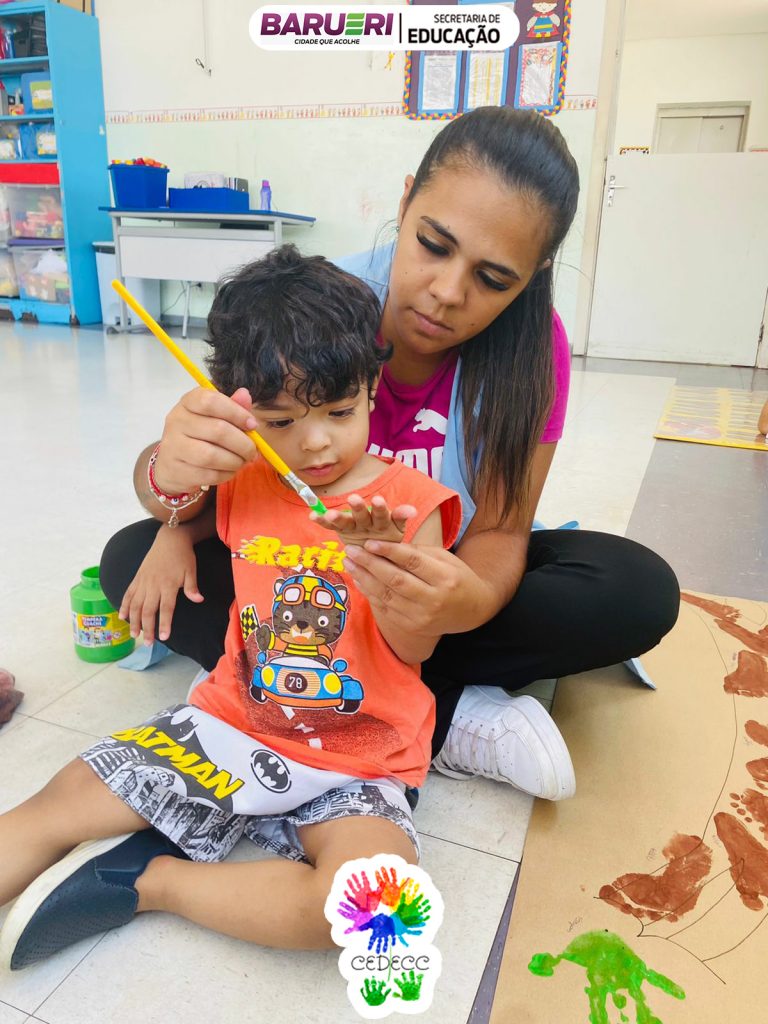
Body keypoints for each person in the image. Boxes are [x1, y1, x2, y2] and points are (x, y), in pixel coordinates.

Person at [99, 106, 679, 799]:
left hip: (430, 588)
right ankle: (443, 712)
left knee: (634, 589)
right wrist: (172, 495)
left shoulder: (533, 350)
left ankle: (332, 686)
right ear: (404, 203)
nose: (447, 293)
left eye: (494, 279)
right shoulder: (313, 309)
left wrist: (460, 601)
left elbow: (501, 531)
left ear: (535, 272)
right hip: (296, 574)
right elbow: (220, 487)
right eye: (433, 244)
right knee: (130, 558)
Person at [0, 245, 470, 970]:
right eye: (279, 422)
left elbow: (416, 652)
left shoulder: (413, 505)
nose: (315, 442)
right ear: (238, 411)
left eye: (340, 411)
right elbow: (176, 497)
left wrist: (387, 576)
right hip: (231, 722)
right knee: (58, 807)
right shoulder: (243, 477)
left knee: (372, 906)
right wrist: (171, 526)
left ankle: (149, 881)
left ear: (373, 387)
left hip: (363, 756)